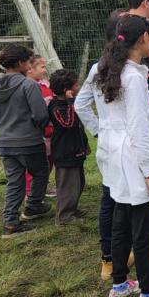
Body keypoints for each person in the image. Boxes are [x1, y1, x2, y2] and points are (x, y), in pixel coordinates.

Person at [77, 8, 149, 281]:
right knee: (142, 220)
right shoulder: (134, 76)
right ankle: (147, 284)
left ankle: (117, 275)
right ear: (142, 38)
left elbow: (81, 104)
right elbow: (139, 126)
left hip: (112, 149)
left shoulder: (102, 68)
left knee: (118, 213)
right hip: (133, 153)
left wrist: (101, 131)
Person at [0, 44, 51, 237]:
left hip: (5, 143)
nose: (30, 64)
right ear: (20, 63)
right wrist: (38, 126)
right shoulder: (28, 85)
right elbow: (41, 115)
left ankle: (10, 223)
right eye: (28, 60)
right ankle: (33, 205)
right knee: (41, 172)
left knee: (14, 182)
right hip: (29, 142)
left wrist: (0, 118)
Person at [48, 68, 89, 225]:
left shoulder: (67, 105)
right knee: (67, 185)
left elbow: (78, 127)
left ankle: (72, 208)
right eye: (76, 85)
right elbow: (69, 123)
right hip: (65, 153)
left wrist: (84, 144)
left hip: (76, 150)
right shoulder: (57, 107)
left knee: (78, 183)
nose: (79, 87)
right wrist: (72, 102)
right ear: (67, 91)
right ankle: (64, 216)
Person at [24, 54, 55, 200]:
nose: (45, 70)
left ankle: (42, 186)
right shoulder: (29, 87)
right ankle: (30, 191)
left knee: (48, 161)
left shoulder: (45, 83)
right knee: (35, 164)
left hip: (49, 131)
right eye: (42, 67)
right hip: (37, 132)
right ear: (30, 69)